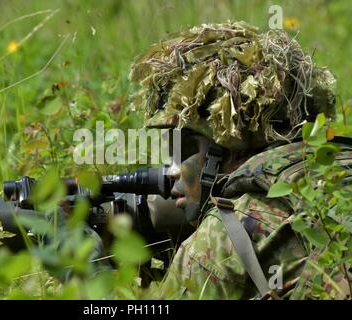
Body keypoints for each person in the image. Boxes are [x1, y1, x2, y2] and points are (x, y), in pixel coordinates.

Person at [129, 21, 351, 299]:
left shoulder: (223, 238)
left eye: (181, 149)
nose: (171, 170)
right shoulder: (340, 168)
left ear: (227, 147)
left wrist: (81, 273)